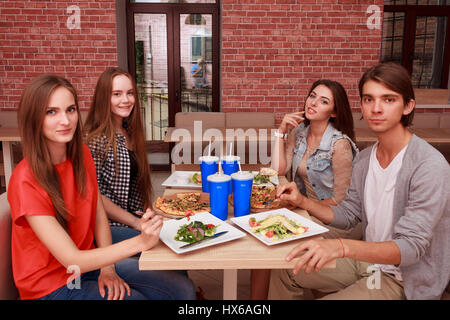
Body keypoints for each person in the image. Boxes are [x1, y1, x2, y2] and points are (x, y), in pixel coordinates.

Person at [269, 62, 450, 300]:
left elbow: (411, 248)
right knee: (285, 269)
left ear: (408, 106)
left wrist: (340, 247)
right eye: (368, 99)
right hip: (369, 263)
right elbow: (349, 214)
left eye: (388, 99)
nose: (376, 108)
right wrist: (302, 200)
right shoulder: (366, 159)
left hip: (403, 279)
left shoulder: (428, 165)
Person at [8, 74, 196, 300]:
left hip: (88, 265)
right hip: (50, 285)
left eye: (70, 110)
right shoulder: (25, 180)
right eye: (51, 112)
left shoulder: (81, 155)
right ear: (33, 119)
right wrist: (141, 240)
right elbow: (72, 259)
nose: (66, 121)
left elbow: (97, 215)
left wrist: (108, 269)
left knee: (182, 289)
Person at [251, 79, 360, 299]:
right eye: (312, 96)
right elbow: (278, 170)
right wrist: (281, 131)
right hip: (305, 210)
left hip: (335, 219)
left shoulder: (340, 145)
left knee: (272, 244)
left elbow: (342, 202)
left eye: (323, 101)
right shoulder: (301, 132)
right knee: (263, 243)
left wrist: (301, 207)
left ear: (334, 113)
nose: (313, 103)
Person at [84, 67, 152, 244]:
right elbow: (94, 197)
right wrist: (136, 223)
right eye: (117, 94)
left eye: (130, 93)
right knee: (164, 245)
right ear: (103, 98)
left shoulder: (129, 132)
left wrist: (148, 213)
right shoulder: (95, 140)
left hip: (130, 219)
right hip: (107, 227)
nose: (126, 100)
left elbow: (136, 186)